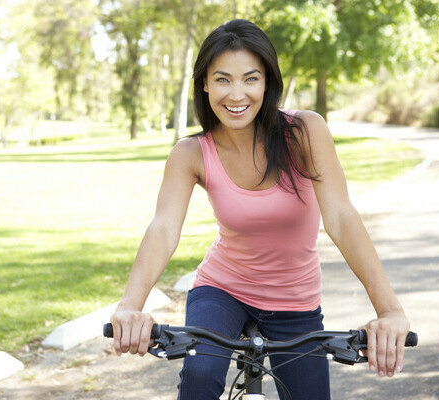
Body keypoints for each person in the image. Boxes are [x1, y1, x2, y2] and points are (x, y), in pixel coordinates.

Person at [109, 19, 410, 400]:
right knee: (200, 375)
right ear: (205, 84)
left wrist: (389, 311)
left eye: (250, 79)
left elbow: (340, 217)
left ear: (267, 82)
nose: (237, 94)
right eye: (222, 79)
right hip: (222, 291)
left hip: (295, 302)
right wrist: (130, 307)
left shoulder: (304, 132)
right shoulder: (191, 153)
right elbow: (164, 228)